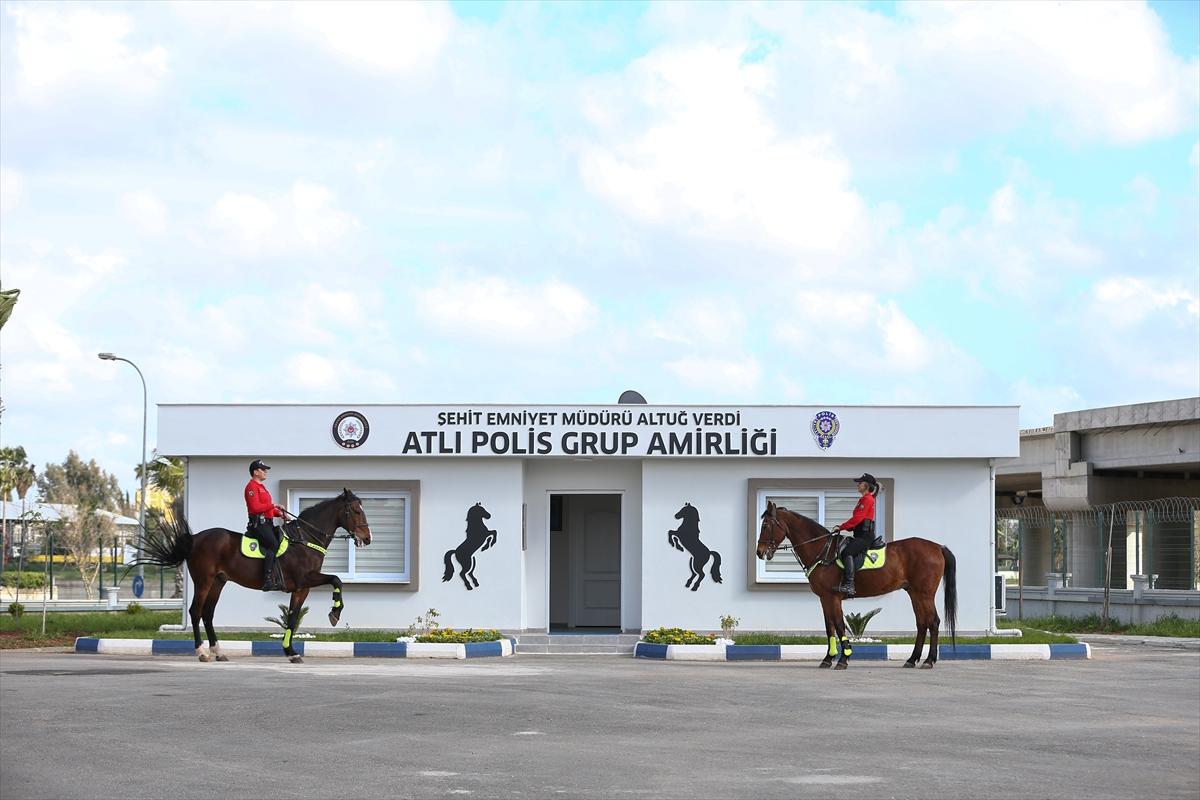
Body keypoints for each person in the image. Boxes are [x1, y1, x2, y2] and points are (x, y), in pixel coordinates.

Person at [830, 473, 880, 598]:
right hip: (859, 534)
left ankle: (849, 584)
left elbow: (858, 518)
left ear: (866, 485)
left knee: (847, 552)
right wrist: (849, 527)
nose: (858, 485)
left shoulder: (867, 499)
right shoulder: (863, 499)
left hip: (865, 537)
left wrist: (841, 527)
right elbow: (859, 521)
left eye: (860, 483)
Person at [244, 459, 286, 591]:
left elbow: (267, 509)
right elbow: (256, 508)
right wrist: (274, 505)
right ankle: (267, 579)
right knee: (273, 544)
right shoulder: (251, 487)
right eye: (263, 469)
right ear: (256, 472)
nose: (266, 472)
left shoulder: (262, 487)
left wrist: (280, 514)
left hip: (267, 523)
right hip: (258, 524)